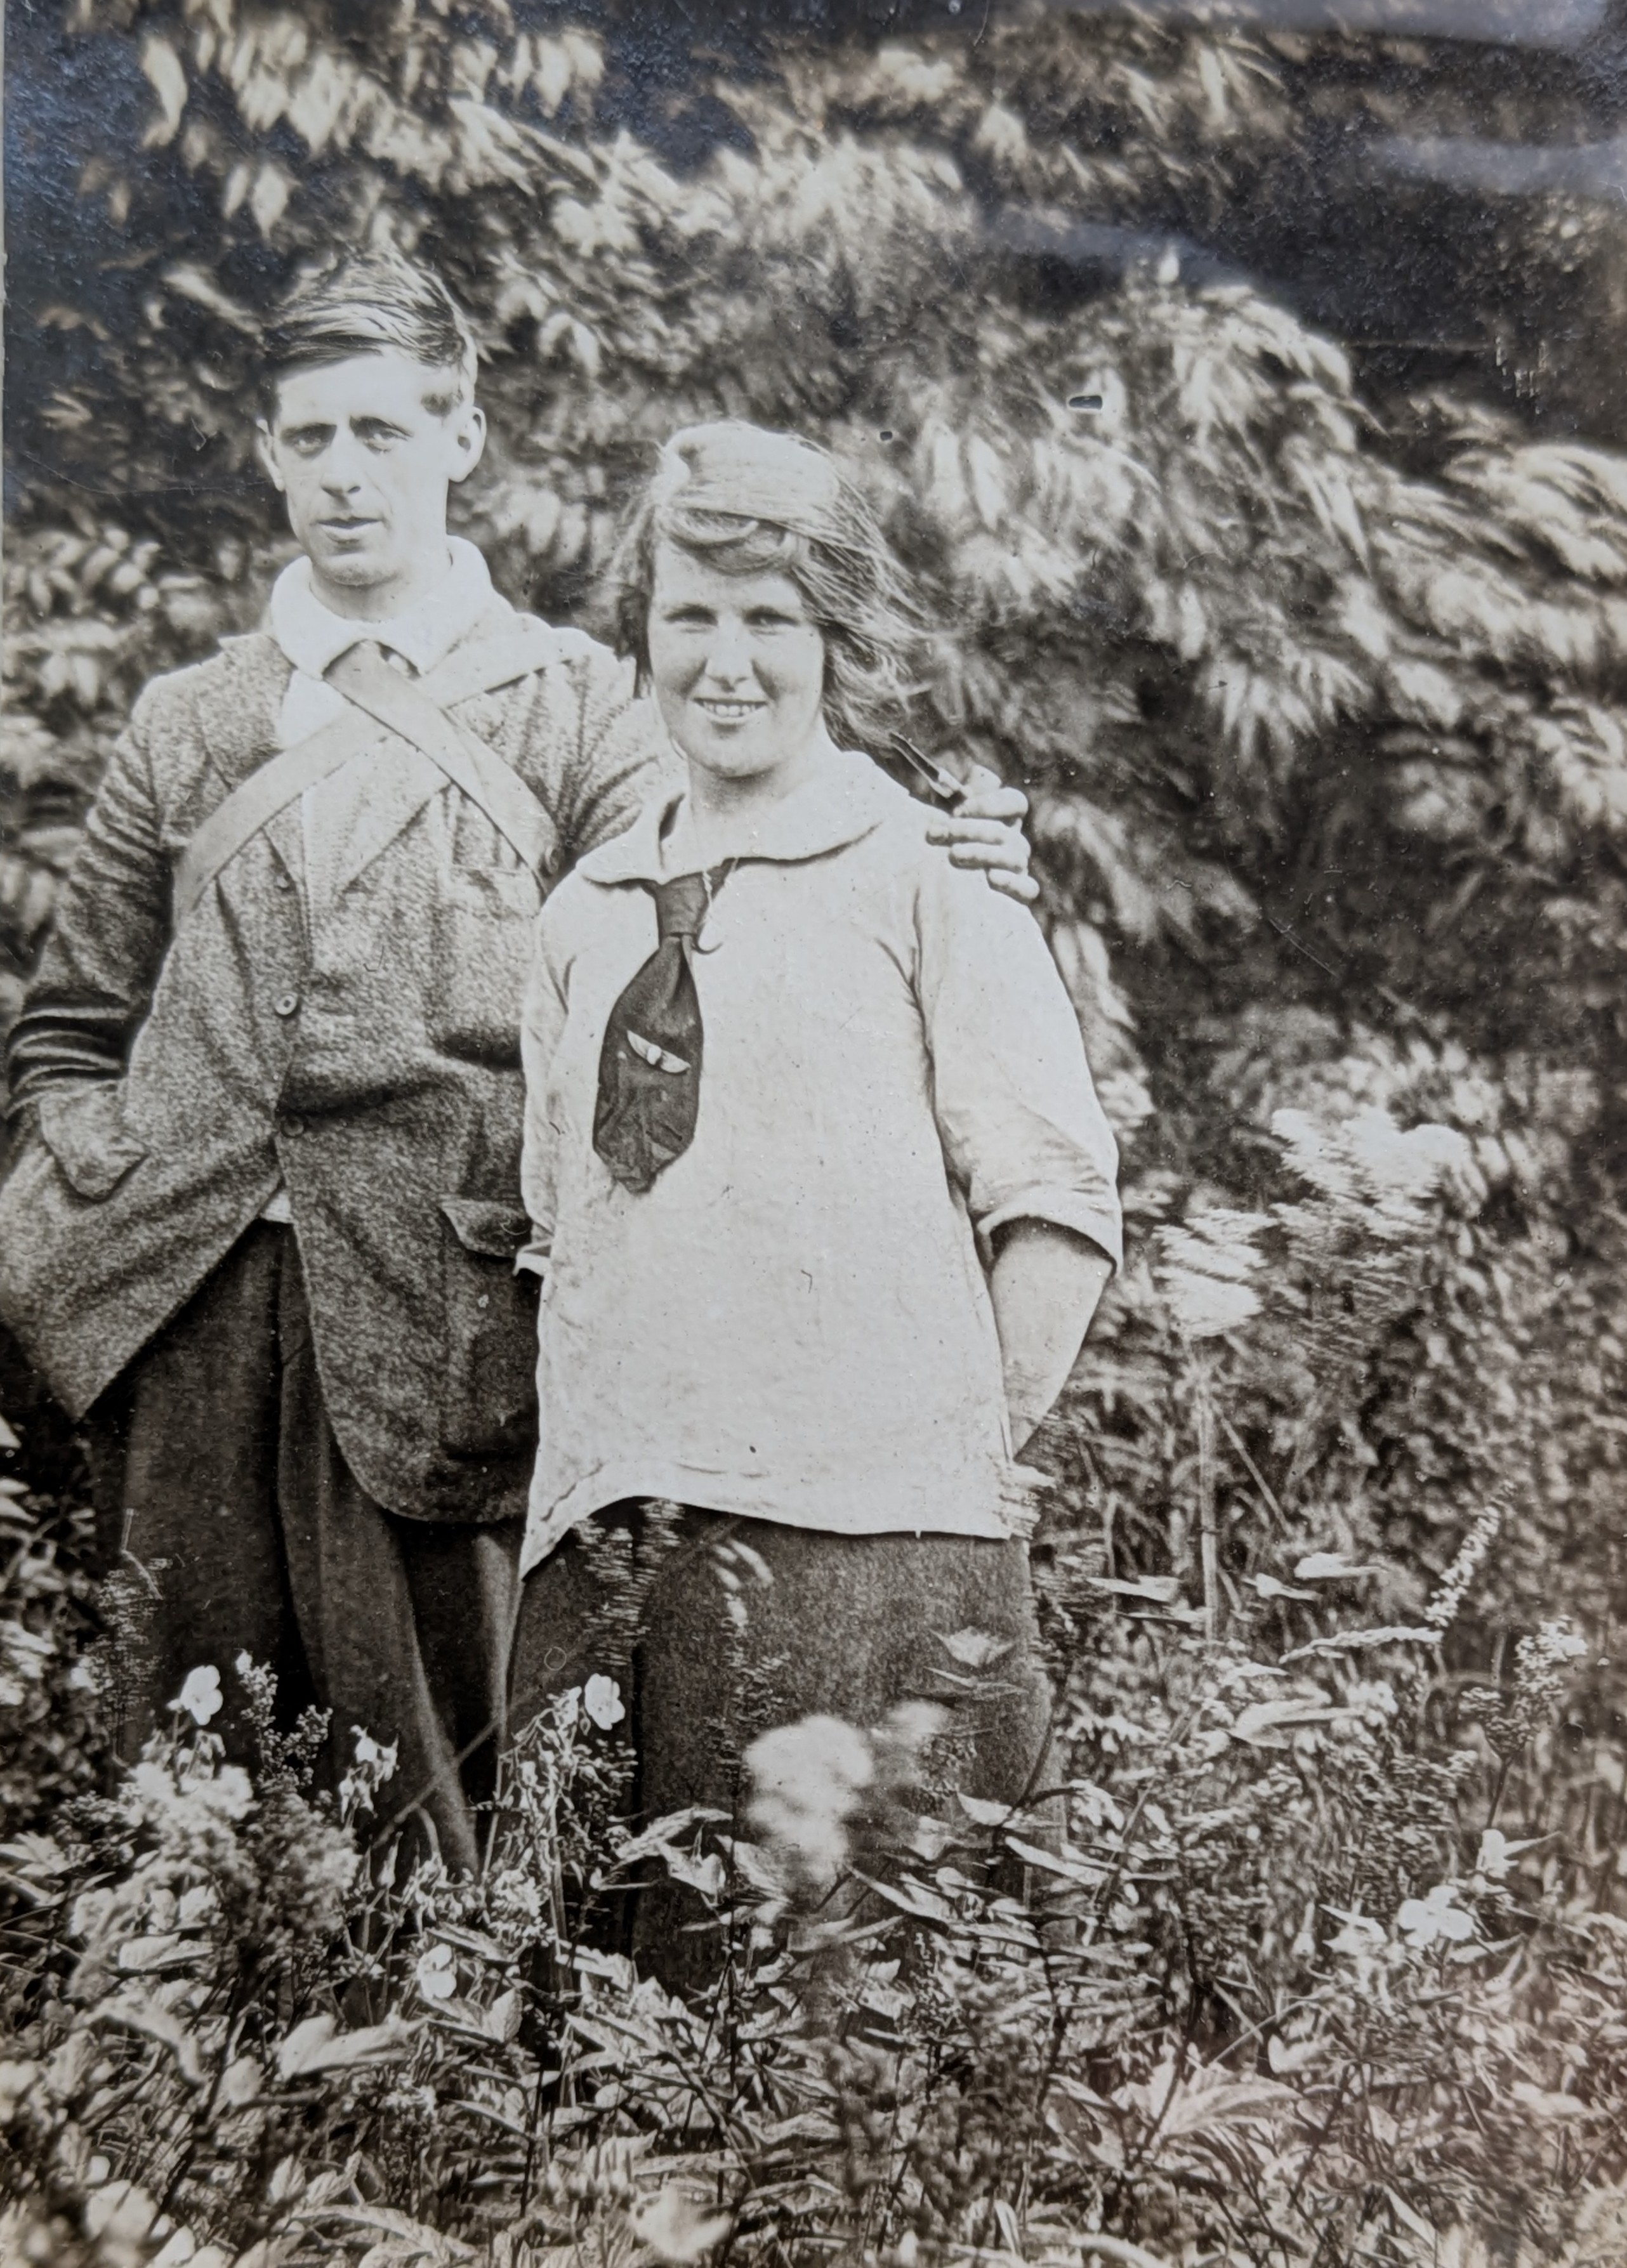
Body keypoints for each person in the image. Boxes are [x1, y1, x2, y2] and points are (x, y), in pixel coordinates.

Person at [0, 258, 1033, 1872]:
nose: (347, 474)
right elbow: (69, 1028)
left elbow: (731, 871)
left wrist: (951, 849)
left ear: (462, 437)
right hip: (183, 1309)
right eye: (310, 436)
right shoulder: (188, 724)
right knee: (187, 1789)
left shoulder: (579, 706)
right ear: (268, 453)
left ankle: (430, 2038)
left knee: (441, 1804)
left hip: (438, 1313)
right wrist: (89, 1187)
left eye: (383, 432)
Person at [508, 421, 1123, 1981]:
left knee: (864, 2012)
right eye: (690, 616)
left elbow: (1053, 1203)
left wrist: (955, 1464)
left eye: (769, 619)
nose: (726, 663)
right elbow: (562, 1231)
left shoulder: (930, 873)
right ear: (641, 630)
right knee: (615, 2023)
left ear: (836, 638)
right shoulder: (583, 917)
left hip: (875, 1547)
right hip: (622, 1542)